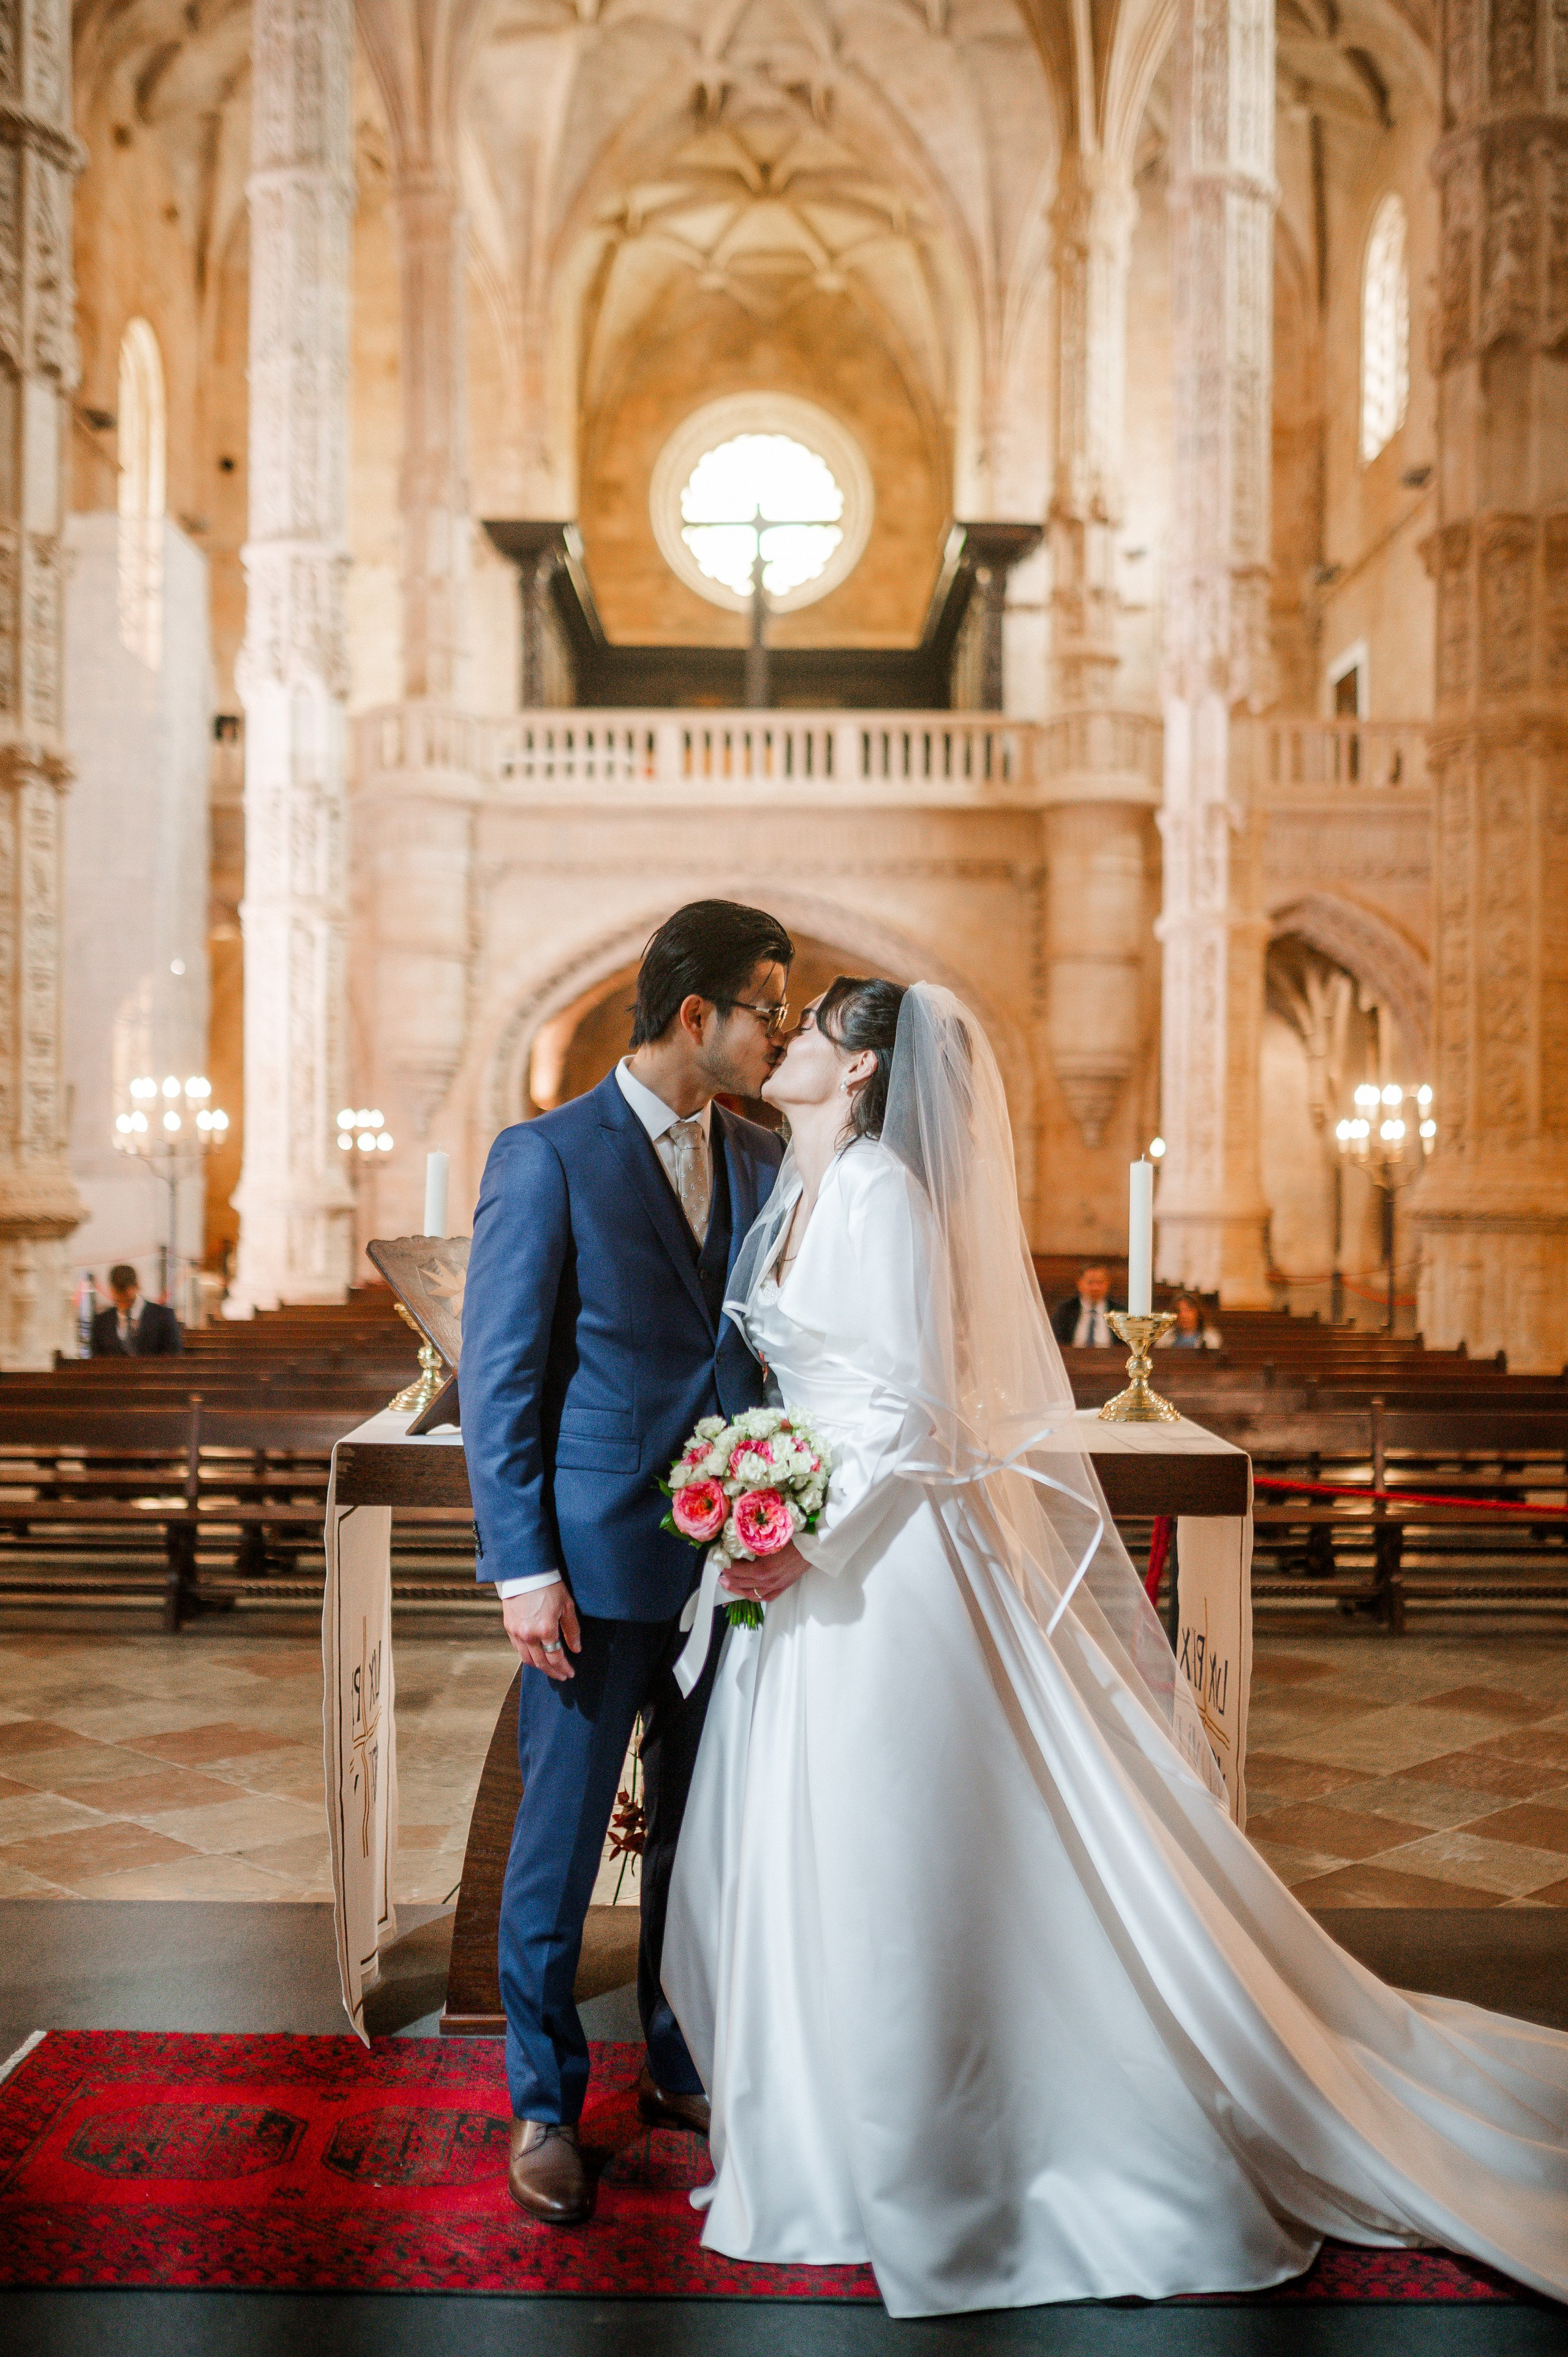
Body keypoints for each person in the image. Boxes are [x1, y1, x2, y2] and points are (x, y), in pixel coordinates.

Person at [661, 978, 1568, 2317]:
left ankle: (958, 2147)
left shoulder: (884, 1199)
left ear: (859, 1073)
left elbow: (912, 1417)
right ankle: (821, 2134)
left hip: (884, 1568)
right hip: (808, 1569)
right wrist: (764, 1501)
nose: (784, 1042)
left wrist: (803, 1531)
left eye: (811, 1034)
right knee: (806, 1846)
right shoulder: (807, 1188)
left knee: (891, 1848)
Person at [461, 899, 791, 2230]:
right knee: (557, 1839)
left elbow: (763, 1351)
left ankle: (671, 2058)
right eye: (766, 1005)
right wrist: (519, 1566)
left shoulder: (764, 1157)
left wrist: (780, 1513)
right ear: (694, 1016)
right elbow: (502, 1381)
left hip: (728, 1569)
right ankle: (544, 2102)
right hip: (592, 1570)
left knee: (695, 1841)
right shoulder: (545, 1156)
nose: (780, 1028)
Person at [91, 1264, 181, 1356]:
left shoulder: (163, 1316)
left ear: (137, 1285)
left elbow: (174, 1357)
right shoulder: (101, 1322)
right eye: (120, 1297)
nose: (124, 1303)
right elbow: (96, 1361)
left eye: (127, 1298)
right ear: (113, 1290)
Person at [1050, 1262, 1123, 1346]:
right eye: (1090, 1282)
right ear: (1079, 1284)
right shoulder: (1065, 1311)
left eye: (1100, 1283)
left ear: (1108, 1284)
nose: (1095, 1288)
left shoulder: (1119, 1312)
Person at [1155, 1292, 1223, 1349]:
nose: (1183, 1315)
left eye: (1188, 1310)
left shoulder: (1210, 1339)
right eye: (1179, 1311)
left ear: (1197, 1312)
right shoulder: (1164, 1339)